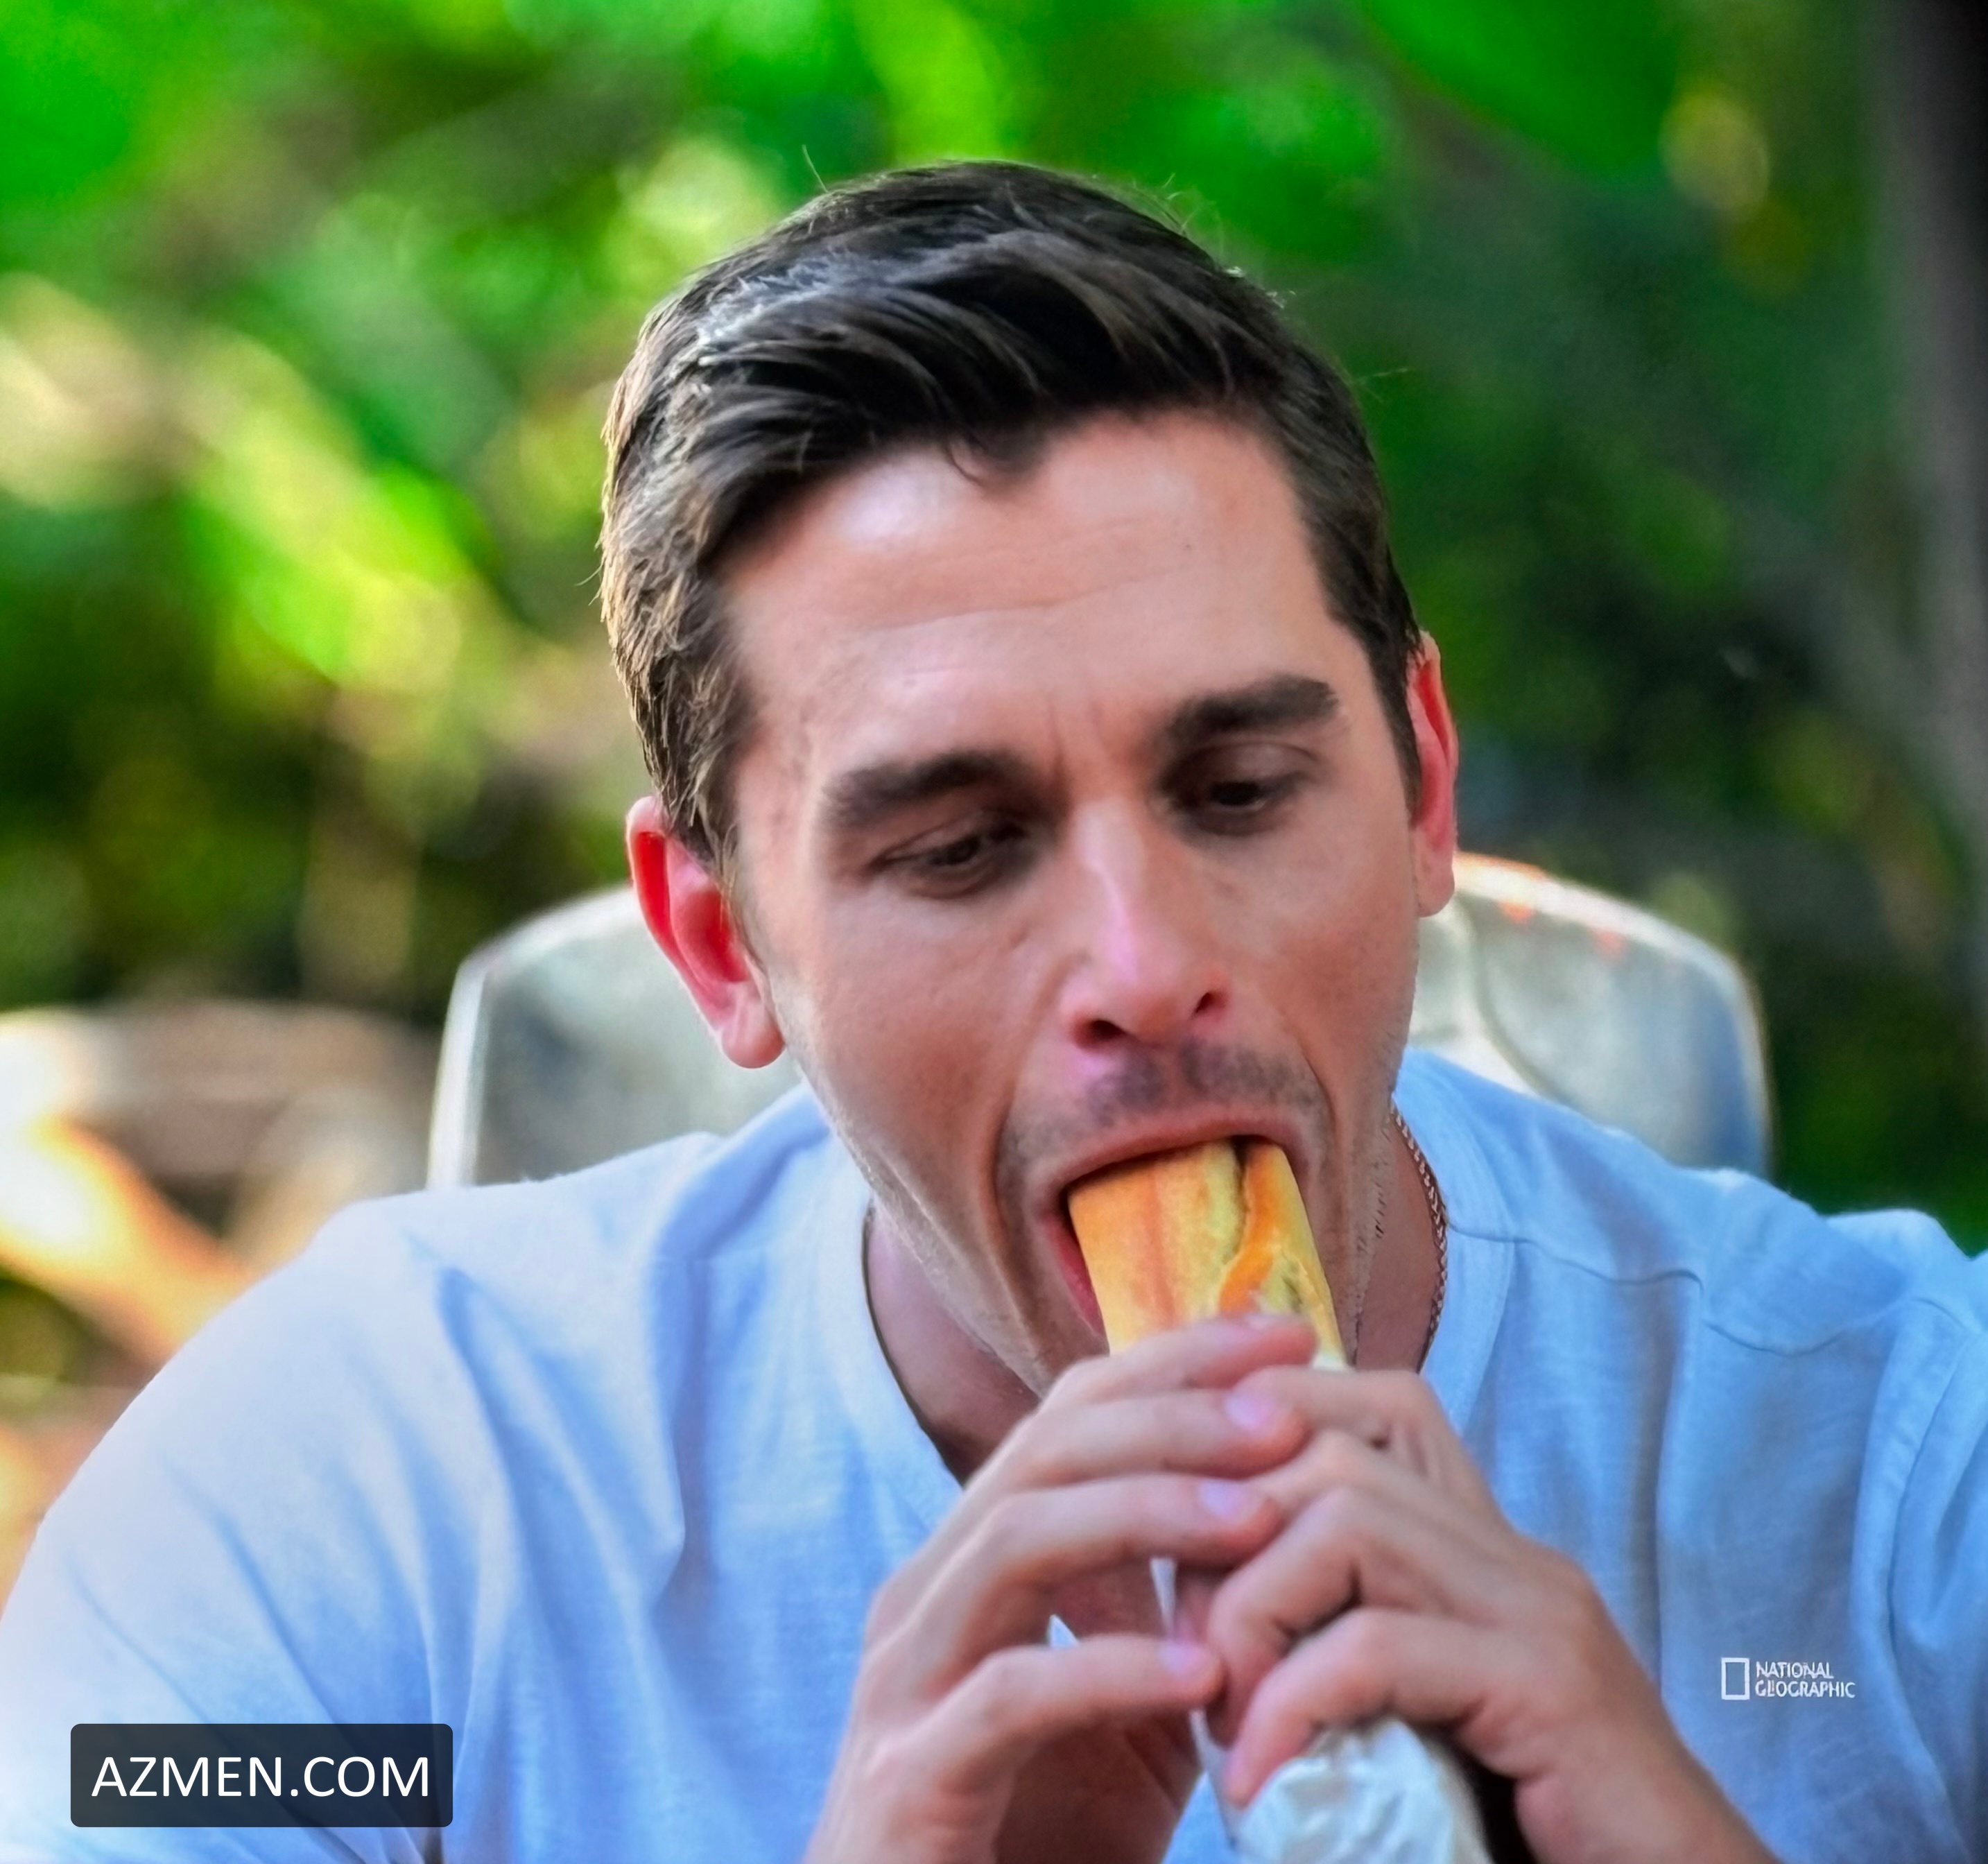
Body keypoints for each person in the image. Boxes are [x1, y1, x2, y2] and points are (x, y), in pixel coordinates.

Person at [1, 160, 1983, 1864]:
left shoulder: (1903, 1479)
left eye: (1239, 791)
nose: (1141, 966)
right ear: (717, 942)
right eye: (958, 849)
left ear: (1423, 785)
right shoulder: (367, 1506)